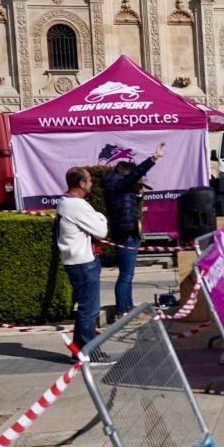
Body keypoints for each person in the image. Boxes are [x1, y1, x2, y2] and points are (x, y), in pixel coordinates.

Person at [100, 143, 163, 315]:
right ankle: (122, 310)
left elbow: (128, 205)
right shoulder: (118, 185)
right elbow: (136, 174)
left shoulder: (118, 188)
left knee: (128, 274)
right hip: (126, 232)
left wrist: (138, 194)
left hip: (128, 231)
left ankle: (128, 307)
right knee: (126, 275)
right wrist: (153, 158)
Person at [55, 167, 108, 354]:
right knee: (89, 310)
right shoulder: (77, 205)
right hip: (83, 263)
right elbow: (101, 231)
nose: (92, 183)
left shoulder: (66, 201)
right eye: (90, 180)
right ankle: (89, 353)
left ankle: (78, 352)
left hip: (77, 261)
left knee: (86, 309)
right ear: (82, 183)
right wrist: (100, 217)